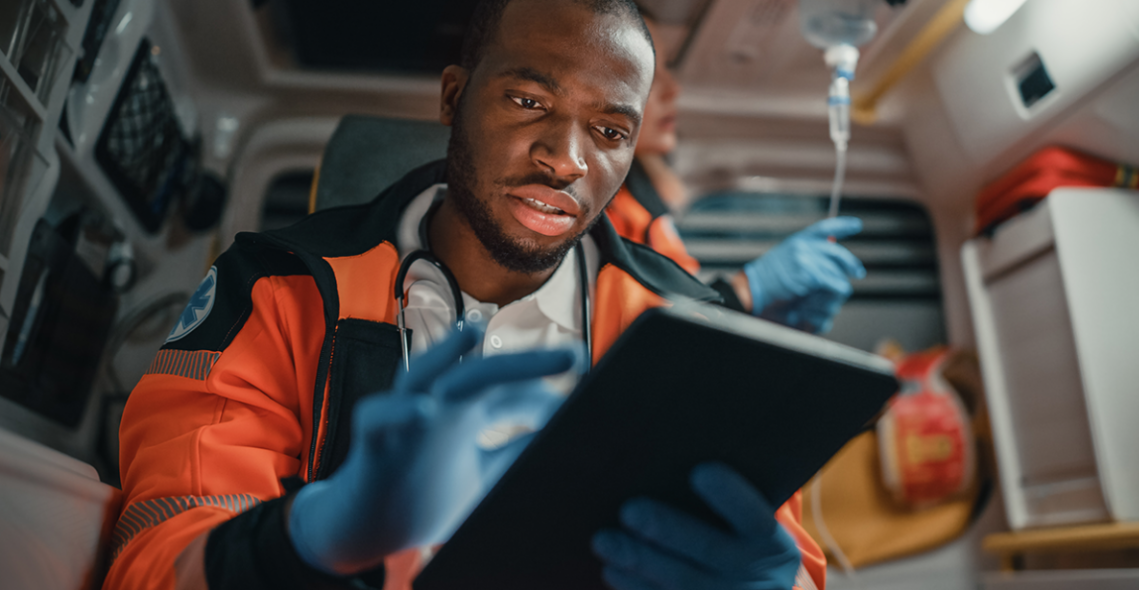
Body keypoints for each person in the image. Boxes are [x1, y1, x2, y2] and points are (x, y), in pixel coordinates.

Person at [104, 1, 825, 589]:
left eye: (609, 130)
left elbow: (789, 562)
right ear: (454, 96)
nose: (567, 159)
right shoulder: (279, 287)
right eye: (528, 100)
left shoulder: (694, 337)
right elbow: (157, 551)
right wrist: (310, 537)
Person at [606, 10, 866, 335]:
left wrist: (758, 318)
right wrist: (744, 291)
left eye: (668, 67)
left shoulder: (643, 206)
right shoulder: (597, 221)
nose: (674, 89)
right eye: (649, 72)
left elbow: (679, 326)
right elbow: (641, 345)